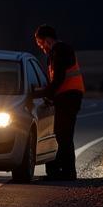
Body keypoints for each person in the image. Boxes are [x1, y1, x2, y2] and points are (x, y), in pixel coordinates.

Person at [34, 23, 85, 180]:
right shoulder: (57, 51)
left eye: (41, 44)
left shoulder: (60, 51)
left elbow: (58, 80)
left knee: (63, 135)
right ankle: (61, 172)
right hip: (67, 97)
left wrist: (38, 94)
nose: (42, 48)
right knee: (62, 134)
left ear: (48, 40)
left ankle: (67, 173)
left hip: (69, 97)